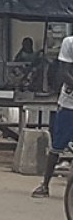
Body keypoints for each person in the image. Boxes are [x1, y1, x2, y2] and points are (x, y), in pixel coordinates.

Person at [32, 34, 73, 198]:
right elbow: (64, 73)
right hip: (69, 103)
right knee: (57, 146)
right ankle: (45, 184)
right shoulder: (69, 43)